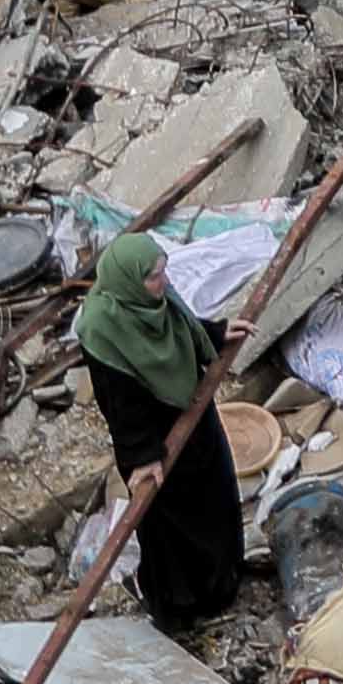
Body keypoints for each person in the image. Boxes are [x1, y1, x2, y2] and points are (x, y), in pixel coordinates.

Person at [69, 224, 246, 631]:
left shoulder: (153, 298)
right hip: (153, 438)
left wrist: (216, 333)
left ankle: (222, 586)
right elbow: (119, 403)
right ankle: (180, 608)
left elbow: (182, 327)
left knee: (215, 500)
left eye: (162, 272)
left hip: (192, 414)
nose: (162, 282)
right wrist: (144, 457)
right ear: (129, 280)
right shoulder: (102, 328)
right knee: (172, 523)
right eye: (153, 276)